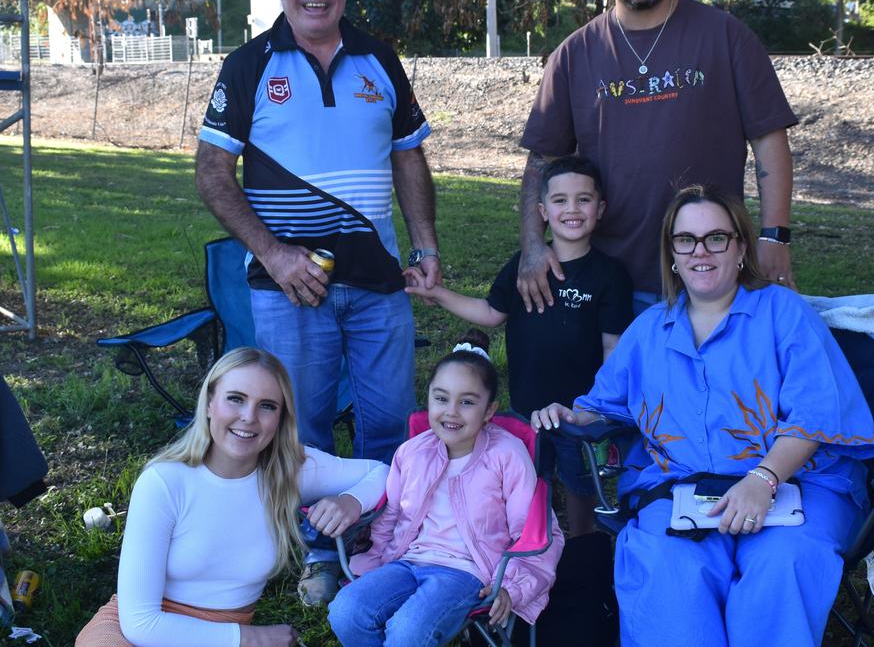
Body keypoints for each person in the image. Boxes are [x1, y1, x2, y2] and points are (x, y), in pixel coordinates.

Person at [194, 0, 439, 602]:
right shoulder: (249, 64)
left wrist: (426, 245)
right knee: (302, 429)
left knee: (390, 422)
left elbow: (409, 157)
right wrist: (272, 254)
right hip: (290, 286)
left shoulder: (379, 59)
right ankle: (318, 550)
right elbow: (212, 171)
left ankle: (386, 539)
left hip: (379, 281)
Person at [531, 185, 874, 646]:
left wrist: (763, 479)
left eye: (716, 238)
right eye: (685, 240)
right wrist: (570, 416)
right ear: (671, 253)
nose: (701, 252)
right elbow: (600, 408)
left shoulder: (783, 313)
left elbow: (815, 413)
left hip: (795, 486)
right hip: (683, 490)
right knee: (670, 571)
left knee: (782, 565)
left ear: (740, 248)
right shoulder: (650, 329)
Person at [518, 0, 799, 317]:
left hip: (712, 269)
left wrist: (774, 237)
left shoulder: (725, 35)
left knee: (717, 383)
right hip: (609, 279)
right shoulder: (574, 55)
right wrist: (531, 244)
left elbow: (769, 138)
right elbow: (544, 159)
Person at [75, 347, 388, 647]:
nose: (249, 417)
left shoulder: (288, 471)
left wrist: (351, 502)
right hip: (134, 632)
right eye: (236, 399)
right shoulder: (164, 481)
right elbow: (141, 623)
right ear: (210, 403)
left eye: (267, 405)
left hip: (222, 634)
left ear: (280, 417)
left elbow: (383, 472)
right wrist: (251, 639)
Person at [405, 156, 632, 535]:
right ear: (542, 210)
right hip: (527, 407)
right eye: (560, 201)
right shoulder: (523, 265)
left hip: (578, 412)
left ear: (600, 208)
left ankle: (579, 547)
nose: (571, 209)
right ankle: (533, 543)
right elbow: (492, 312)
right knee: (526, 481)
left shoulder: (609, 274)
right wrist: (439, 294)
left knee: (580, 483)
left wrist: (594, 409)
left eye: (583, 200)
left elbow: (614, 350)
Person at [328, 331, 565, 646]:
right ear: (428, 399)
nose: (451, 411)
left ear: (490, 411)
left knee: (407, 631)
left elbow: (534, 530)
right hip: (406, 561)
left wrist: (512, 586)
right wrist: (377, 561)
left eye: (467, 402)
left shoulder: (507, 454)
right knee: (346, 610)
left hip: (468, 572)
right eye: (441, 398)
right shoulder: (412, 452)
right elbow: (391, 513)